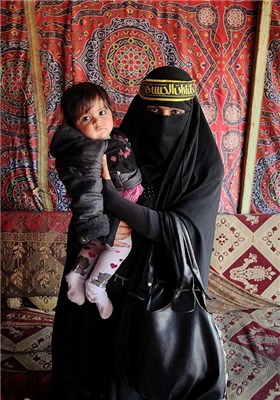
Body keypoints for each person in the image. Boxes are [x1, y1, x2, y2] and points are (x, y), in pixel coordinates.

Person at [51, 66, 225, 399]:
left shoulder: (204, 165)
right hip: (108, 275)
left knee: (141, 371)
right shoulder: (120, 143)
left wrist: (113, 199)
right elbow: (85, 204)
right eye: (154, 111)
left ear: (190, 113)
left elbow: (181, 229)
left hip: (157, 286)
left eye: (175, 113)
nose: (164, 121)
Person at [50, 82, 143, 319]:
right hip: (104, 215)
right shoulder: (90, 154)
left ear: (112, 112)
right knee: (121, 246)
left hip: (108, 214)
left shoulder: (114, 138)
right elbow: (89, 193)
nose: (97, 121)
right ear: (74, 128)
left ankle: (77, 274)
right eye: (85, 118)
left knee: (95, 246)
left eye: (102, 113)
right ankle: (97, 285)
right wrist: (100, 223)